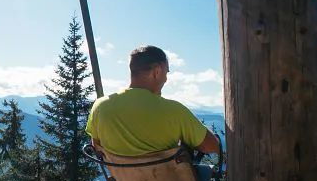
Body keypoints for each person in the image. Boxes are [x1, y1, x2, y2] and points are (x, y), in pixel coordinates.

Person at [86, 45, 220, 157]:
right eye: (166, 72)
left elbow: (97, 147)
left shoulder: (100, 107)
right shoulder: (175, 111)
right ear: (157, 71)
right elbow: (211, 146)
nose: (166, 79)